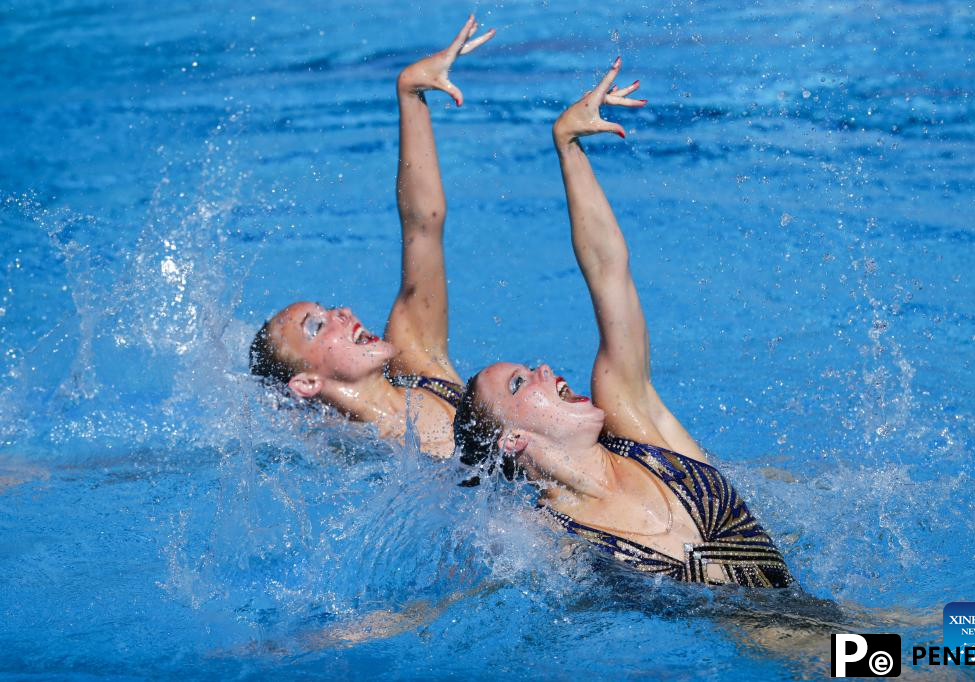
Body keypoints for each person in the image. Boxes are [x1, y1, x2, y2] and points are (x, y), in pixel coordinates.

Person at [453, 58, 794, 588]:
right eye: (520, 383)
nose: (543, 367)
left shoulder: (639, 429)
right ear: (512, 440)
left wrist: (566, 144)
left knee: (961, 649)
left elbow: (610, 273)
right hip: (789, 659)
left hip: (840, 630)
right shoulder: (540, 535)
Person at [249, 16, 495, 458]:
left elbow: (424, 225)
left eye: (327, 309)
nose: (342, 312)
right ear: (307, 382)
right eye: (317, 325)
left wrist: (410, 93)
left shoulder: (416, 355)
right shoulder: (346, 460)